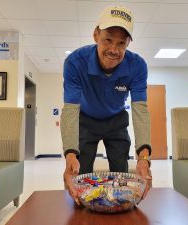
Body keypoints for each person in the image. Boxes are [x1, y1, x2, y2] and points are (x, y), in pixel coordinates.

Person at [61, 5, 152, 205]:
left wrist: (144, 158)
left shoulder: (137, 66)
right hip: (85, 120)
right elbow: (70, 110)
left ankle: (117, 211)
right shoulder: (75, 63)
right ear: (96, 35)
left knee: (121, 175)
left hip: (116, 121)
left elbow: (140, 110)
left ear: (128, 43)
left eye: (121, 43)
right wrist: (69, 154)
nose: (113, 49)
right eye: (108, 39)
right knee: (79, 177)